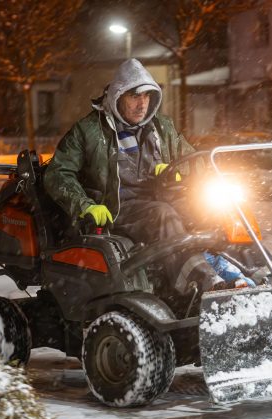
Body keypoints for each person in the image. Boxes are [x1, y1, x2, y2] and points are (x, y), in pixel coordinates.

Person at [43, 59, 253, 297]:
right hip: (116, 210)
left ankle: (261, 272)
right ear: (117, 96)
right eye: (134, 96)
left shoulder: (162, 128)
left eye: (147, 96)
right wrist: (85, 205)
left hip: (161, 202)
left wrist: (178, 172)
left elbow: (196, 163)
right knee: (162, 214)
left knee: (220, 211)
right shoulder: (88, 131)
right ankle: (203, 285)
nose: (142, 103)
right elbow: (58, 173)